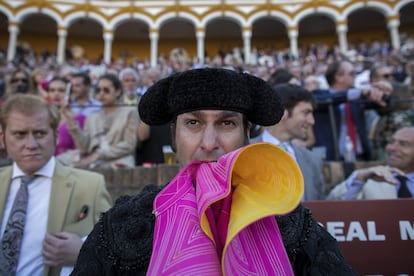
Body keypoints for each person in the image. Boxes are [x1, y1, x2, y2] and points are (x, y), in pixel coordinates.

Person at [71, 68, 355, 275]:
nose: (209, 144)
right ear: (174, 137)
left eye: (226, 124)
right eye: (193, 124)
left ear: (246, 135)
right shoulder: (124, 224)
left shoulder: (295, 226)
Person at [0, 94, 112, 275]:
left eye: (40, 133)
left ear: (56, 136)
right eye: (20, 135)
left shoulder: (90, 186)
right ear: (3, 139)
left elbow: (118, 253)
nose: (31, 144)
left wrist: (84, 252)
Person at [251, 83, 325, 200]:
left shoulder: (312, 161)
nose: (312, 121)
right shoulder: (243, 152)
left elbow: (323, 206)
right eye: (306, 113)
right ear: (283, 113)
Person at [312, 60, 391, 161]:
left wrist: (384, 91)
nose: (355, 77)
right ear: (338, 77)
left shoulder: (358, 96)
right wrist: (359, 93)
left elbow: (382, 103)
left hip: (360, 156)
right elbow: (332, 98)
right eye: (351, 74)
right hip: (332, 159)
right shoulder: (319, 94)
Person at [64, 73, 139, 169]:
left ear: (118, 91)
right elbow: (84, 147)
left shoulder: (130, 112)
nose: (101, 94)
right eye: (98, 90)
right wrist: (70, 120)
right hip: (93, 163)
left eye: (106, 90)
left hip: (120, 162)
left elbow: (129, 145)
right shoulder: (92, 117)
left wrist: (99, 155)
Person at [327, 126, 414, 199]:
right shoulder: (370, 179)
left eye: (403, 144)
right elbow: (332, 205)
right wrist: (359, 178)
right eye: (391, 142)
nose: (392, 148)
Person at [45, 76, 86, 157]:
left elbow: (83, 149)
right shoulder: (41, 117)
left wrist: (70, 120)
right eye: (52, 90)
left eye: (61, 90)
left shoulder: (80, 119)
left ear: (70, 94)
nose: (56, 94)